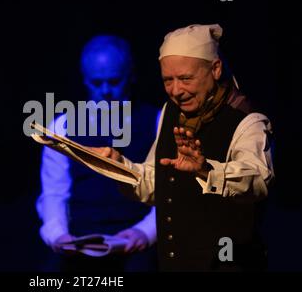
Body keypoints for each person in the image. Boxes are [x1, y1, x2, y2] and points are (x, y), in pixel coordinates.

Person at [93, 24, 275, 271]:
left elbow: (259, 180)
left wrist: (206, 170)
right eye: (168, 80)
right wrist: (117, 167)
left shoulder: (247, 120)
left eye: (185, 79)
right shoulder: (170, 112)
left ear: (215, 69)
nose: (176, 91)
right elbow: (156, 185)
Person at [36, 35, 160, 272]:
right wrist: (58, 235)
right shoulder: (61, 127)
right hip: (80, 240)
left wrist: (145, 232)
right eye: (96, 82)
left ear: (131, 75)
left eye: (114, 81)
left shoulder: (156, 122)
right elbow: (54, 193)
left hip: (136, 240)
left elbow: (170, 193)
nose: (105, 91)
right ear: (84, 80)